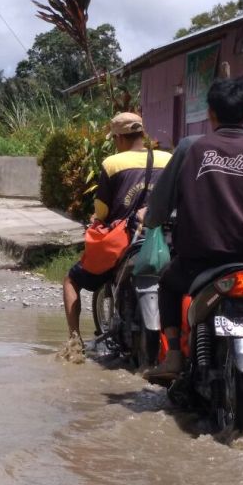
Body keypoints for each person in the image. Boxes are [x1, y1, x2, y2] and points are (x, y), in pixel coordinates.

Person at [142, 76, 243, 381]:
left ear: (210, 113)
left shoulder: (190, 148)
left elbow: (158, 208)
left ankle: (173, 356)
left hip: (197, 264)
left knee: (168, 284)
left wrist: (152, 220)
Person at [61, 112, 172, 346]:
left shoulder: (112, 164)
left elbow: (102, 211)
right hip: (164, 239)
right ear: (142, 133)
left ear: (119, 138)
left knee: (71, 280)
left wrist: (97, 218)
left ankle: (74, 341)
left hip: (126, 242)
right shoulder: (167, 159)